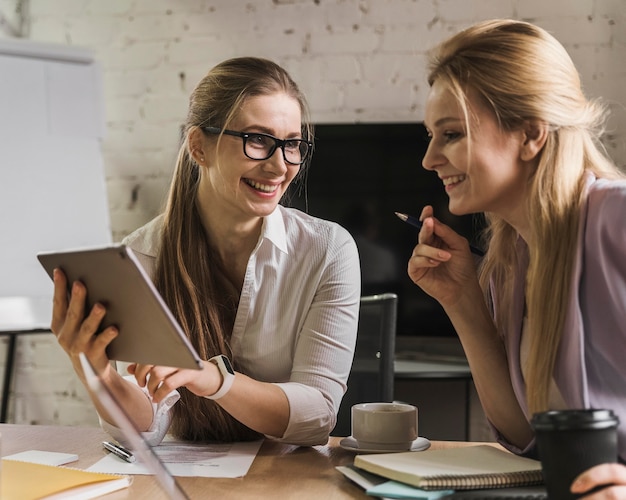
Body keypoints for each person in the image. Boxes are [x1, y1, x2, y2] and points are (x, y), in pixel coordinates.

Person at [51, 57, 361, 447]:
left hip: (291, 477)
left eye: (293, 144)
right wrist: (100, 376)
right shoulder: (141, 258)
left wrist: (214, 381)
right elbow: (146, 428)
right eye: (259, 140)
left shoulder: (327, 250)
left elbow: (317, 416)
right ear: (199, 146)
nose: (280, 165)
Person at [406, 19, 626, 498]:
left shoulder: (616, 217)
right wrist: (462, 300)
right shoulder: (510, 261)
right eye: (431, 134)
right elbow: (527, 437)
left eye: (451, 134)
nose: (429, 158)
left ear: (530, 134)